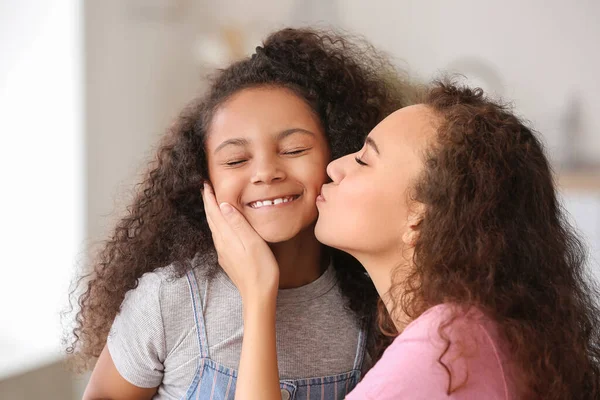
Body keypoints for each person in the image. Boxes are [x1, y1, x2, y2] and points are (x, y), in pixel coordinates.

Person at [68, 27, 414, 400]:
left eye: (295, 149)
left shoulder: (374, 306)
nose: (266, 172)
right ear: (204, 181)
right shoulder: (169, 299)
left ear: (337, 155)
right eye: (236, 159)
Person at [203, 81, 600, 399]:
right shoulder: (474, 330)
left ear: (420, 216)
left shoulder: (441, 355)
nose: (335, 167)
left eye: (363, 160)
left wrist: (256, 293)